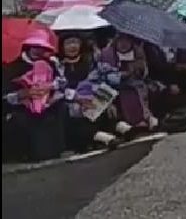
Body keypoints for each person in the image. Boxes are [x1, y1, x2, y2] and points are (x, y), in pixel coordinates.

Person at [2, 30, 68, 161]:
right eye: (35, 47)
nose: (38, 51)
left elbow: (62, 85)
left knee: (61, 109)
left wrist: (50, 89)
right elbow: (5, 96)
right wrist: (23, 95)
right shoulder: (11, 68)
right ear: (28, 47)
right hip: (21, 111)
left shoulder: (51, 65)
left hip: (47, 108)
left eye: (42, 48)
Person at [59, 33, 121, 152]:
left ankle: (118, 128)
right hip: (71, 102)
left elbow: (104, 81)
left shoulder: (91, 63)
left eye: (75, 42)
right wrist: (76, 97)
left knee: (103, 99)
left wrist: (108, 102)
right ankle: (100, 137)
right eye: (68, 43)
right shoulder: (58, 66)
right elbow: (58, 89)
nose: (72, 46)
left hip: (93, 100)